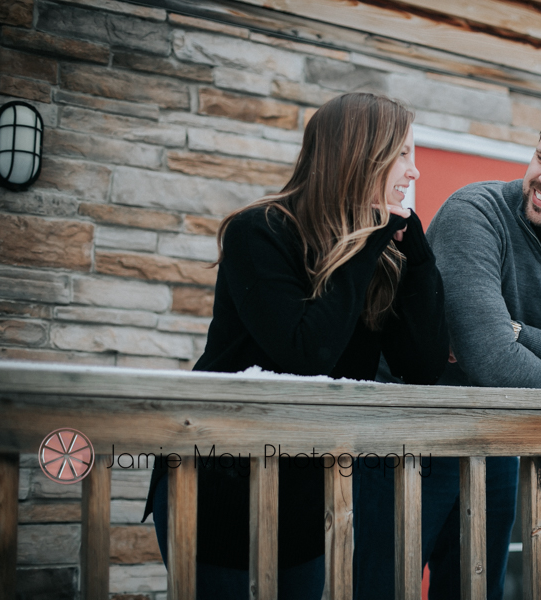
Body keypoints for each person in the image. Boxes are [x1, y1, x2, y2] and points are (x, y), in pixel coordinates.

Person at [142, 92, 449, 599]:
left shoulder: (374, 256)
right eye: (403, 153)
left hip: (307, 495)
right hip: (219, 485)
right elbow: (305, 353)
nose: (414, 171)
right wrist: (370, 239)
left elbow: (421, 366)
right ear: (359, 154)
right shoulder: (259, 232)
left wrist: (419, 262)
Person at [353, 98, 541, 599]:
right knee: (378, 587)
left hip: (497, 442)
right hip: (411, 432)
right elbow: (488, 358)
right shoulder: (475, 211)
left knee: (475, 590)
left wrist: (520, 333)